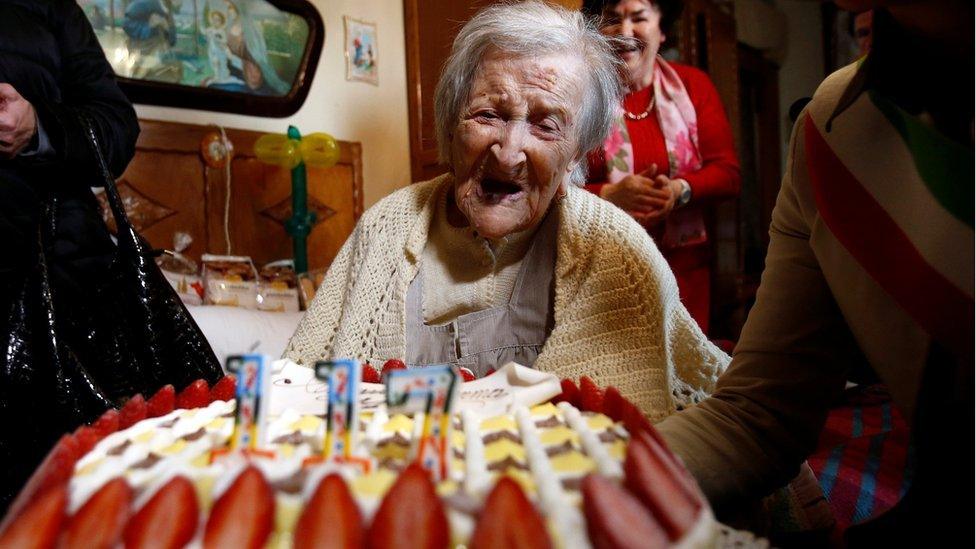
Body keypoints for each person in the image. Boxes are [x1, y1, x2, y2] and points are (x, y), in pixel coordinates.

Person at [286, 1, 728, 419]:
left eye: (545, 125)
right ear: (450, 124)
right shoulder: (385, 229)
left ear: (577, 155)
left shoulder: (611, 246)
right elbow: (296, 392)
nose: (509, 152)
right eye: (488, 115)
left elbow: (701, 408)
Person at [655, 0, 973, 543]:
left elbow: (722, 172)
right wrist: (559, 482)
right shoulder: (833, 127)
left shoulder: (693, 90)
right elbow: (756, 417)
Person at [1, 0, 140, 512]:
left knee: (51, 500)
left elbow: (117, 127)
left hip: (52, 290)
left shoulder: (48, 5)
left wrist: (38, 126)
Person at [581, 0, 740, 335]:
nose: (625, 32)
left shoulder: (694, 86)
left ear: (662, 30)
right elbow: (554, 187)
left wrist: (677, 191)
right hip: (603, 275)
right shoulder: (580, 95)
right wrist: (608, 195)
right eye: (612, 20)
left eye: (638, 18)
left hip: (686, 274)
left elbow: (728, 174)